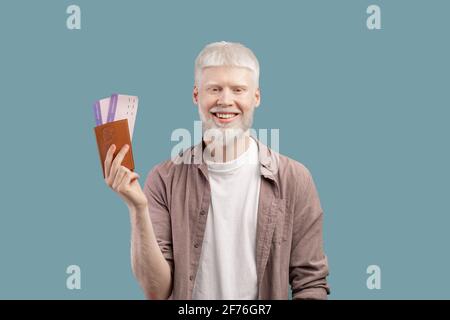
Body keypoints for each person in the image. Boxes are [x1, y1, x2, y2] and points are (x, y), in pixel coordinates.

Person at [103, 41, 330, 300]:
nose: (225, 100)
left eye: (238, 89)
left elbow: (311, 283)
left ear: (256, 97)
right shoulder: (164, 179)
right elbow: (157, 290)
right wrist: (137, 208)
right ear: (196, 95)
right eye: (214, 89)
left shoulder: (295, 179)